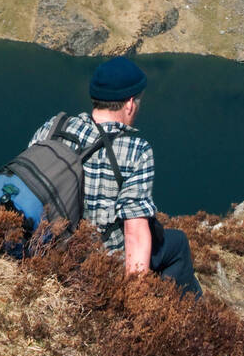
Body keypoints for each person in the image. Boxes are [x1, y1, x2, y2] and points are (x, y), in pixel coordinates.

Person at [28, 55, 201, 297]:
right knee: (178, 243)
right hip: (101, 261)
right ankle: (182, 316)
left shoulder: (54, 127)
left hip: (46, 248)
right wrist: (133, 300)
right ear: (130, 103)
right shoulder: (135, 150)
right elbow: (135, 232)